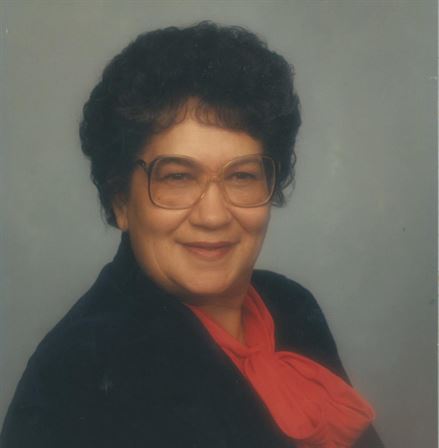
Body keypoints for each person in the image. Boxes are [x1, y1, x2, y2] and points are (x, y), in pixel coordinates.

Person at [1, 22, 384, 448]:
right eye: (178, 177)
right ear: (121, 201)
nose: (213, 215)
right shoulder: (79, 369)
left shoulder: (291, 306)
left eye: (241, 176)